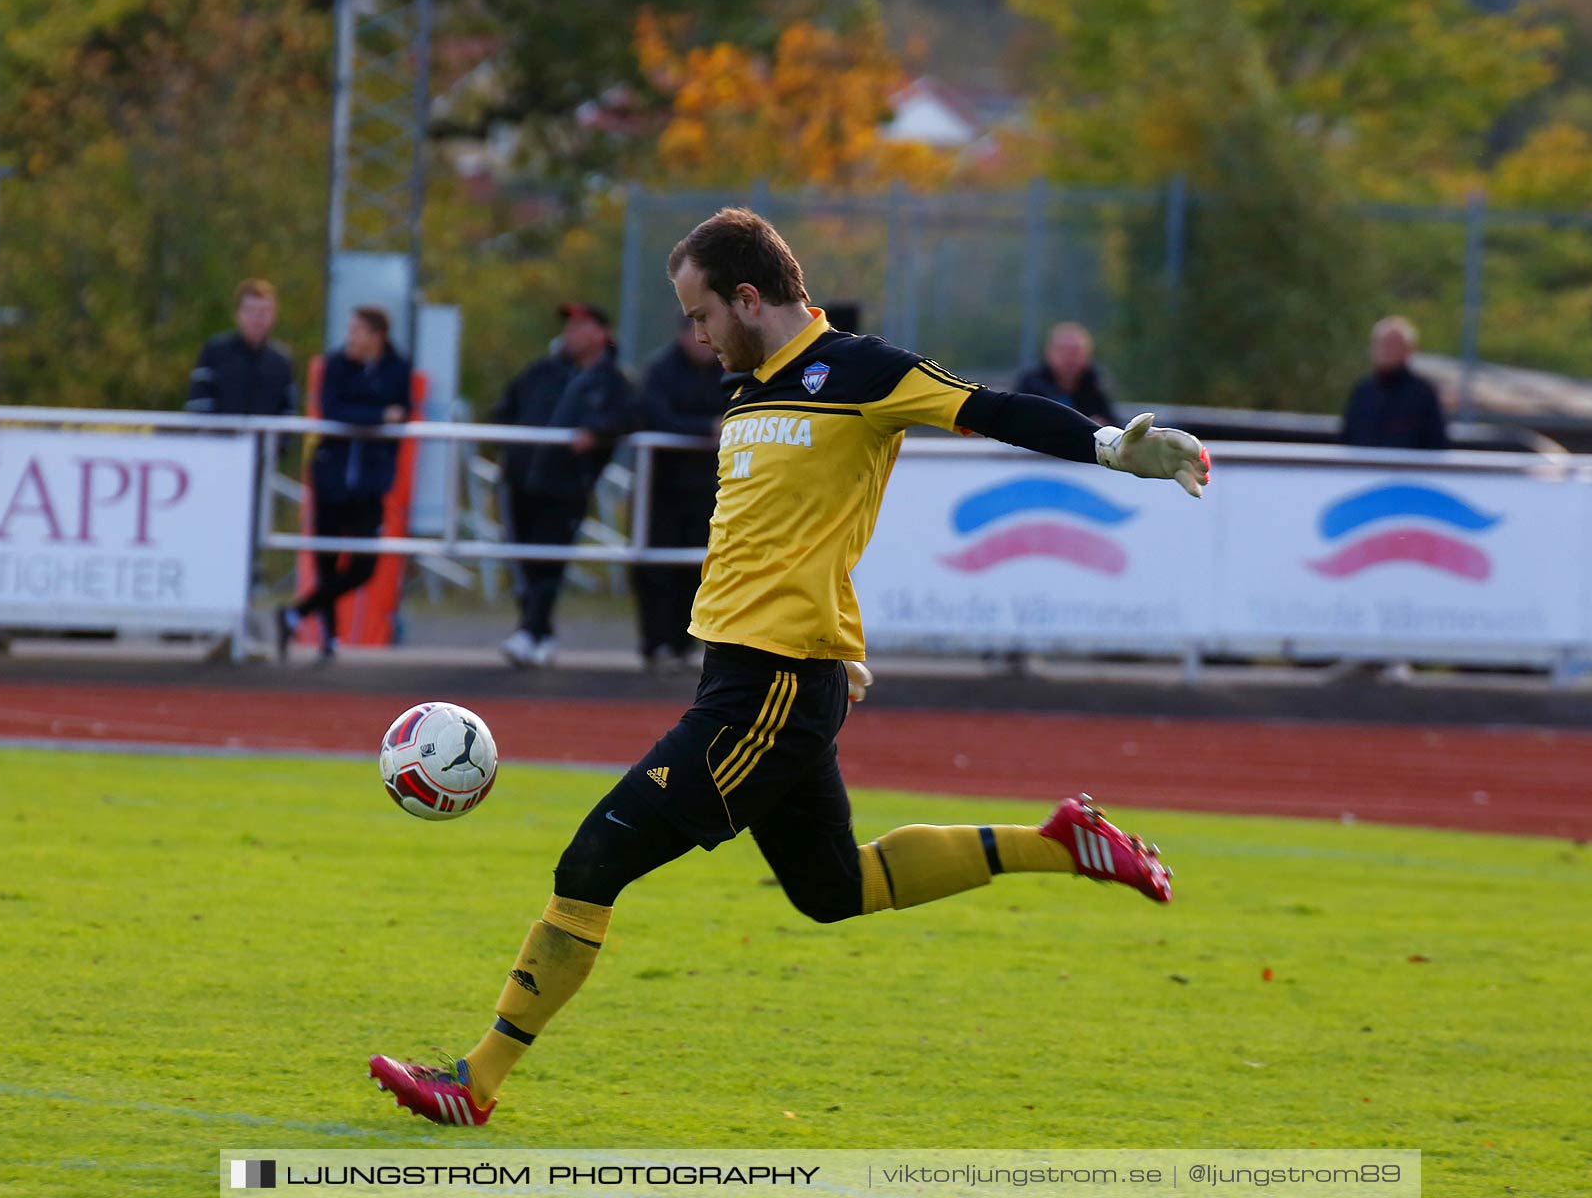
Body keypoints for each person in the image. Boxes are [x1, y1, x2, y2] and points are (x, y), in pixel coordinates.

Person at [367, 208, 1208, 1126]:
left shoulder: (861, 372)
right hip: (766, 676)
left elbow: (990, 408)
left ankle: (475, 1081)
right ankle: (1056, 845)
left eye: (699, 314)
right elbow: (790, 536)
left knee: (593, 857)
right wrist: (839, 638)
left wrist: (1112, 447)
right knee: (836, 889)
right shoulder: (746, 391)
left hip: (768, 688)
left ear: (749, 296)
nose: (694, 335)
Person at [495, 303, 633, 669]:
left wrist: (596, 436)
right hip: (521, 482)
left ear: (600, 333)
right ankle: (537, 634)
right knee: (524, 562)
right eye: (569, 326)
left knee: (550, 562)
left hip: (567, 487)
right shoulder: (543, 372)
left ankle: (530, 632)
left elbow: (625, 418)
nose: (570, 332)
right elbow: (505, 408)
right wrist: (511, 449)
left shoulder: (613, 382)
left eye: (580, 325)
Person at [277, 307, 412, 660]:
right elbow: (333, 410)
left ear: (376, 337)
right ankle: (330, 637)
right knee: (326, 560)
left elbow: (404, 412)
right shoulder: (335, 365)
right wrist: (378, 415)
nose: (350, 337)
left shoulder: (397, 368)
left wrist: (376, 416)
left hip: (370, 483)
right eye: (349, 330)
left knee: (364, 566)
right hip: (331, 478)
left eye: (357, 331)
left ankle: (298, 612)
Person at [630, 317, 725, 670]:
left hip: (709, 488)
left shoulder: (728, 366)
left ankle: (686, 643)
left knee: (698, 567)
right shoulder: (661, 369)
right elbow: (653, 417)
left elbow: (738, 412)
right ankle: (655, 644)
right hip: (661, 487)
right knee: (654, 568)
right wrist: (705, 428)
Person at [185, 279, 297, 417]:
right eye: (250, 310)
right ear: (238, 314)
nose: (258, 317)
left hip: (265, 439)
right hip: (220, 438)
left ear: (274, 315)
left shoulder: (281, 360)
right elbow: (198, 406)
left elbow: (288, 413)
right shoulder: (215, 351)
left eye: (264, 311)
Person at [1341, 316, 1448, 449]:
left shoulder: (1423, 395)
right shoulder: (1362, 392)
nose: (1386, 350)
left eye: (1393, 344)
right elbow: (1347, 439)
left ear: (1409, 350)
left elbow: (1436, 445)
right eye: (1381, 343)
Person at [1013, 321, 1116, 425]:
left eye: (1075, 351)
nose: (1069, 356)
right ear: (1049, 352)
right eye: (1062, 349)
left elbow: (1111, 423)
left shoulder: (1095, 384)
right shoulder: (1031, 384)